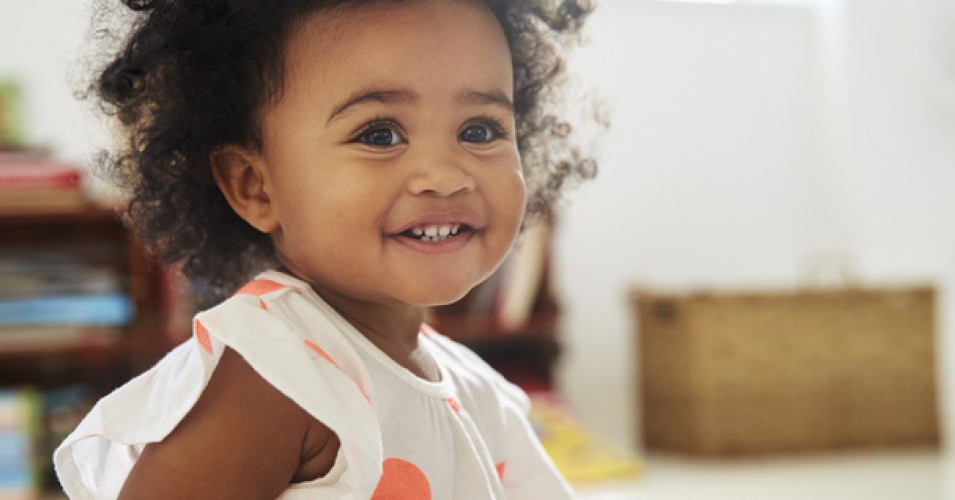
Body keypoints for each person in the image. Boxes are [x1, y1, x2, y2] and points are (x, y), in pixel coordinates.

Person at [55, 0, 599, 498]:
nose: (444, 176)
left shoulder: (479, 392)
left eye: (480, 130)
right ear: (255, 185)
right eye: (380, 134)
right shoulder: (274, 372)